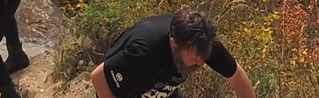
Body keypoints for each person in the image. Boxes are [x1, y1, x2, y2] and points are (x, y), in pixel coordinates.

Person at [90, 8, 255, 98]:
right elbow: (98, 76)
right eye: (195, 56)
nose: (200, 62)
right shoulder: (144, 49)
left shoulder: (204, 42)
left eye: (204, 56)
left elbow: (236, 76)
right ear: (174, 43)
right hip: (126, 88)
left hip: (163, 89)